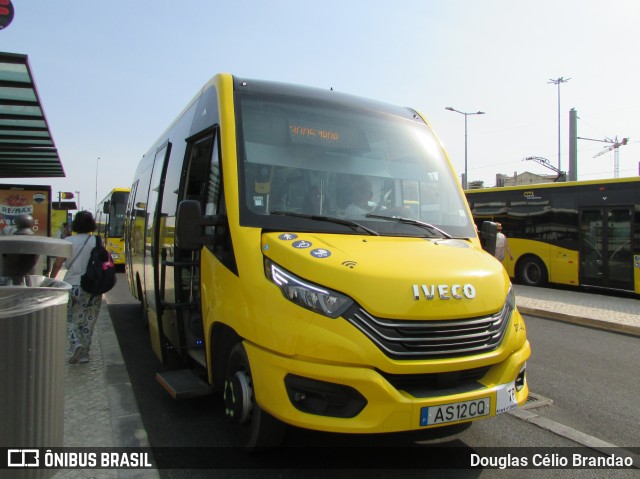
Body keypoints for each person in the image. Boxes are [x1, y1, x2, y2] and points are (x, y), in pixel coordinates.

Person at [50, 211, 102, 364]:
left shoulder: (68, 241)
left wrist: (51, 280)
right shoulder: (96, 241)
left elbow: (58, 264)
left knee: (71, 318)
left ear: (76, 225)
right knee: (89, 320)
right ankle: (85, 354)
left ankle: (76, 343)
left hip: (73, 286)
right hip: (93, 287)